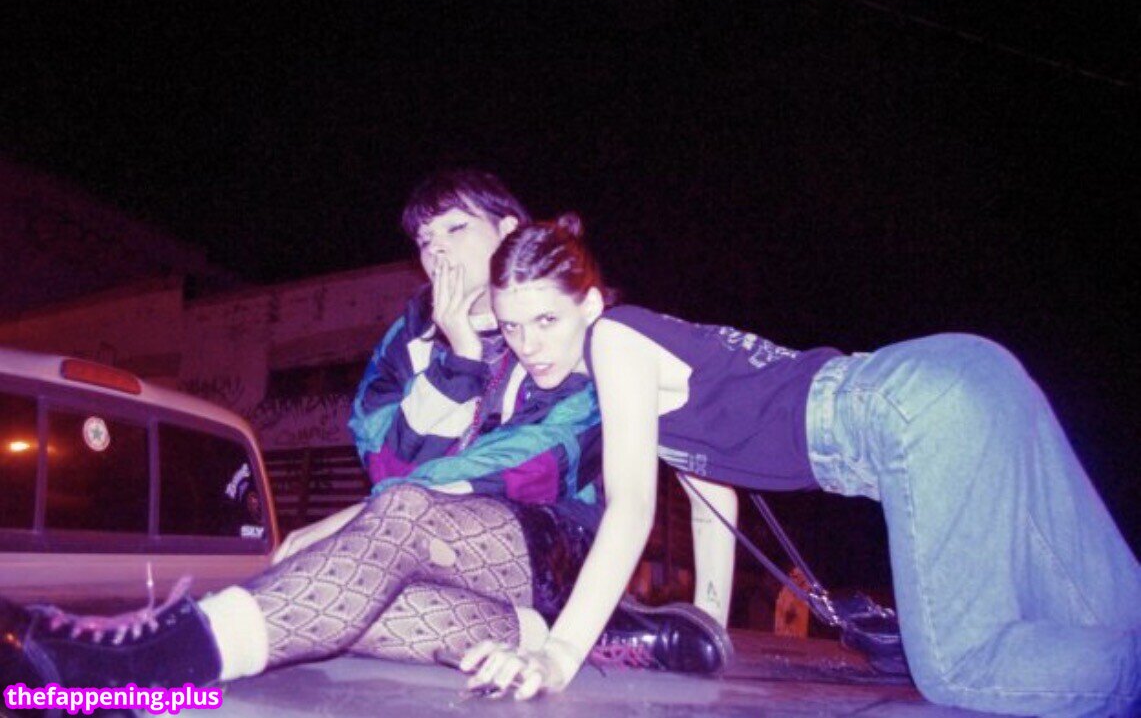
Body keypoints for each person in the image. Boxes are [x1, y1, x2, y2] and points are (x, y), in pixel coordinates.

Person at [0, 173, 730, 692]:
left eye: (455, 229)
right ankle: (595, 635)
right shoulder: (412, 332)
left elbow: (527, 466)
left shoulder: (569, 326)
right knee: (356, 600)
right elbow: (382, 457)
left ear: (509, 232)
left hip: (560, 546)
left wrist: (351, 517)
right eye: (424, 240)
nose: (437, 253)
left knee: (394, 520)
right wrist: (456, 360)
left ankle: (139, 663)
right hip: (457, 561)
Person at [461, 215, 1140, 717]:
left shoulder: (613, 341)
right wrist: (707, 625)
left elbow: (632, 507)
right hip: (972, 374)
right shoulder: (647, 347)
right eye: (513, 327)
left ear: (588, 303)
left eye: (545, 321)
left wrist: (556, 654)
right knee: (1105, 606)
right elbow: (712, 502)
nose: (528, 344)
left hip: (904, 410)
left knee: (962, 668)